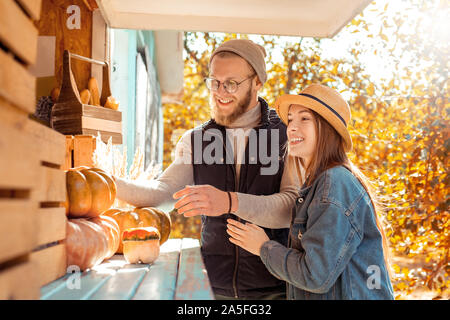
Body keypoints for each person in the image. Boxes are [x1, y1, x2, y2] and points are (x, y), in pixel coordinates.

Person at [114, 39, 299, 299]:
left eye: (232, 83)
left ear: (257, 82)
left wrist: (229, 202)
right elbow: (162, 193)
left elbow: (291, 208)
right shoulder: (196, 139)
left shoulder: (287, 136)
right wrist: (109, 183)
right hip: (213, 288)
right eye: (214, 81)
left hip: (276, 289)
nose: (220, 91)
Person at [226, 84, 395, 299]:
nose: (291, 127)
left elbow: (315, 275)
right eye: (290, 119)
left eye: (304, 119)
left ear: (327, 128)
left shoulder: (334, 184)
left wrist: (263, 246)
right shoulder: (321, 183)